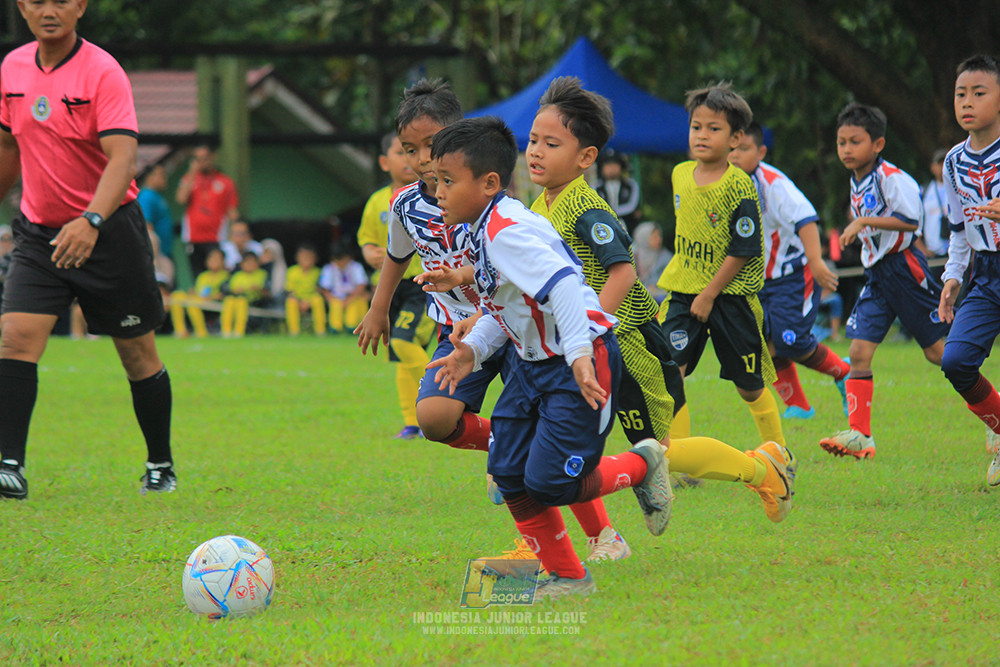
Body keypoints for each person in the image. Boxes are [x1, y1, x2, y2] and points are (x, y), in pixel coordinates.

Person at [427, 116, 675, 599]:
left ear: (490, 183)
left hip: (576, 362)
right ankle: (569, 576)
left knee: (550, 485)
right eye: (437, 180)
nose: (438, 191)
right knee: (509, 473)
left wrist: (580, 355)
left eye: (448, 181)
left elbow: (563, 284)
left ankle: (643, 464)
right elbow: (506, 308)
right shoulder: (482, 228)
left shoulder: (505, 232)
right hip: (533, 364)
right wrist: (471, 353)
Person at [526, 76, 793, 522]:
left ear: (586, 158)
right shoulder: (540, 207)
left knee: (658, 453)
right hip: (587, 343)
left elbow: (624, 271)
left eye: (550, 143)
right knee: (571, 441)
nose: (535, 151)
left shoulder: (586, 209)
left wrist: (588, 332)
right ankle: (595, 537)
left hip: (627, 343)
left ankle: (761, 468)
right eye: (533, 140)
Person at [0, 0, 176, 499]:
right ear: (22, 8)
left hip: (110, 231)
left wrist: (92, 219)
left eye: (61, 0)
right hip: (39, 232)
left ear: (80, 6)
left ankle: (160, 463)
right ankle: (9, 464)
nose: (48, 10)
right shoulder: (11, 68)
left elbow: (123, 158)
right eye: (37, 1)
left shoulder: (103, 71)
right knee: (15, 337)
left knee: (137, 352)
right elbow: (8, 149)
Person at [355, 80, 501, 464]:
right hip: (455, 329)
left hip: (508, 321)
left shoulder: (485, 194)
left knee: (530, 418)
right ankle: (507, 440)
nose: (421, 158)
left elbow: (510, 262)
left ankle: (521, 445)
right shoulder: (403, 204)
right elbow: (396, 256)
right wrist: (378, 308)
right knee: (434, 419)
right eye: (409, 149)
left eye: (431, 144)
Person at [655, 83, 787, 451]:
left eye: (714, 128)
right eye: (697, 126)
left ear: (735, 138)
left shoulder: (739, 185)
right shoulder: (680, 174)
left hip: (729, 297)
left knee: (749, 385)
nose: (702, 135)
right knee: (670, 370)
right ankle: (678, 458)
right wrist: (694, 292)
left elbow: (743, 248)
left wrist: (710, 295)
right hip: (684, 292)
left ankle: (778, 452)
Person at [818, 103, 949, 460]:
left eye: (854, 142)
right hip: (877, 274)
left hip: (905, 270)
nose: (846, 149)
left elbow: (910, 221)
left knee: (939, 353)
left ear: (877, 144)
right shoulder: (857, 178)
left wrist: (863, 224)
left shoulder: (892, 177)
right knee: (859, 352)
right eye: (841, 141)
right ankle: (861, 436)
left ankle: (993, 412)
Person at [728, 121, 851, 420]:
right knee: (765, 344)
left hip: (792, 275)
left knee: (789, 340)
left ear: (761, 152)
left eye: (744, 149)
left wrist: (817, 262)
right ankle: (798, 405)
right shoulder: (722, 183)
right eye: (731, 148)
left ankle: (845, 373)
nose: (735, 155)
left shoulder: (773, 184)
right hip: (755, 281)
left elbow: (806, 218)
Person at [936, 55, 1000, 484]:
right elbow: (958, 229)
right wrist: (952, 277)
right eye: (961, 94)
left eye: (979, 93)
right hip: (986, 274)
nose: (968, 102)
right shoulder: (953, 163)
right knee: (955, 361)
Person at [356, 132, 433, 439]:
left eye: (411, 152)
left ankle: (444, 398)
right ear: (384, 162)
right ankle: (413, 422)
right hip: (390, 289)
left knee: (403, 341)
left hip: (420, 286)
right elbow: (367, 239)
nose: (407, 159)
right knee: (401, 353)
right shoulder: (377, 201)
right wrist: (369, 253)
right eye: (401, 153)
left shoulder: (431, 196)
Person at [175, 143, 239, 277]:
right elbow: (181, 199)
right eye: (198, 159)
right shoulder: (188, 179)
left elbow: (232, 211)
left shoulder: (226, 182)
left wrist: (235, 235)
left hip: (216, 238)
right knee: (198, 276)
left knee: (218, 275)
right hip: (193, 238)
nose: (202, 162)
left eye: (204, 158)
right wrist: (192, 172)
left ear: (212, 157)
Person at [169, 247, 228, 338]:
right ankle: (180, 331)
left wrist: (210, 297)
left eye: (217, 259)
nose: (213, 261)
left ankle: (201, 332)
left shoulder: (225, 275)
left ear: (223, 261)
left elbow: (224, 294)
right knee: (177, 296)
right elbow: (198, 291)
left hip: (213, 303)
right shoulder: (202, 276)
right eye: (211, 258)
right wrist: (193, 293)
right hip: (199, 300)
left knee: (193, 302)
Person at [319, 242, 370, 333]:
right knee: (335, 305)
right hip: (335, 297)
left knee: (355, 305)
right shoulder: (329, 268)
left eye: (343, 259)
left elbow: (361, 286)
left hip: (353, 296)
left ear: (349, 257)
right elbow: (325, 289)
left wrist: (348, 300)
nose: (340, 262)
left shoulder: (356, 267)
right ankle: (335, 329)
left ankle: (353, 328)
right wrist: (332, 300)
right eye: (337, 259)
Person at [221, 250, 270, 338]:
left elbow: (267, 292)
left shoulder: (262, 274)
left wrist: (258, 289)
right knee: (229, 300)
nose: (250, 265)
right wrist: (237, 290)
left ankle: (239, 331)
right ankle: (226, 330)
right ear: (242, 264)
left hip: (254, 302)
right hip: (236, 300)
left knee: (241, 301)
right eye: (247, 262)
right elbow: (231, 290)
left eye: (252, 262)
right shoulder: (237, 276)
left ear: (257, 263)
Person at [593, 149, 641, 231]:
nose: (612, 169)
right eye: (608, 165)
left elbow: (631, 206)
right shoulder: (596, 187)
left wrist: (612, 213)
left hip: (628, 226)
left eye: (615, 164)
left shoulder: (630, 185)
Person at [917, 148, 951, 261]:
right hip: (932, 254)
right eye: (939, 164)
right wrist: (922, 249)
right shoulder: (924, 191)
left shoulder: (960, 190)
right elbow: (913, 222)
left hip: (956, 253)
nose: (943, 168)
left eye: (946, 163)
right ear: (932, 167)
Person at [284, 243, 325, 336]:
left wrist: (308, 302)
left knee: (318, 300)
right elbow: (290, 290)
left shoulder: (318, 272)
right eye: (303, 257)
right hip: (297, 298)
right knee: (291, 302)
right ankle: (294, 331)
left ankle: (320, 331)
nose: (306, 259)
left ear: (315, 258)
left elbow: (320, 289)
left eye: (309, 257)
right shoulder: (292, 272)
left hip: (312, 298)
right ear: (297, 258)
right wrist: (300, 301)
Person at [136, 164, 174, 259]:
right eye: (161, 175)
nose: (165, 178)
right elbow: (147, 225)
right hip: (157, 255)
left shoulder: (156, 195)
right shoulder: (146, 196)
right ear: (150, 176)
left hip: (165, 251)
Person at [631, 222, 672, 301]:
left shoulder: (666, 257)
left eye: (659, 236)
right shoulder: (633, 255)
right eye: (654, 237)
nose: (659, 239)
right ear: (644, 238)